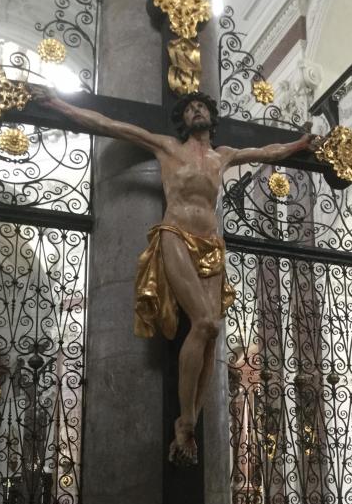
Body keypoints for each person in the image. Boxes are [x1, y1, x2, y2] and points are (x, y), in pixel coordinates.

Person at [36, 89, 315, 465]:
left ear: (211, 117)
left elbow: (268, 152)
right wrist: (58, 105)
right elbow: (112, 125)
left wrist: (300, 144)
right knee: (203, 322)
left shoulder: (223, 156)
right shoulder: (167, 147)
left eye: (202, 107)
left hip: (211, 243)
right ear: (182, 120)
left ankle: (190, 423)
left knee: (212, 332)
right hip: (176, 235)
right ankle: (185, 418)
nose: (196, 111)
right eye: (190, 109)